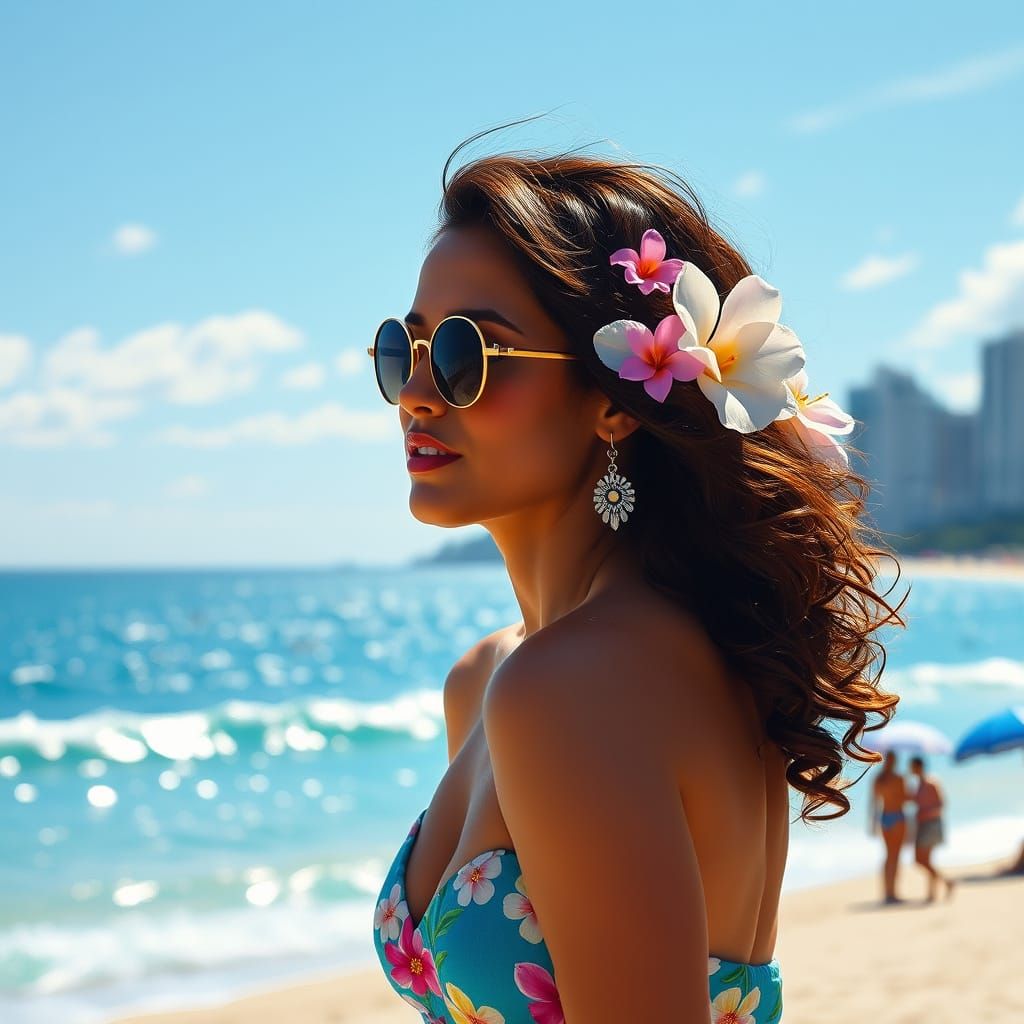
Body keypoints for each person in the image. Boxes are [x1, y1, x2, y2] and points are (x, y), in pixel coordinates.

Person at [368, 130, 907, 1024]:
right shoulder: (503, 675)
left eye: (469, 356)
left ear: (615, 399)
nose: (419, 392)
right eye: (405, 348)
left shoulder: (574, 687)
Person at [909, 756, 955, 901]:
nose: (910, 770)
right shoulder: (919, 784)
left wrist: (925, 812)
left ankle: (946, 882)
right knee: (925, 860)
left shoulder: (931, 782)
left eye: (912, 767)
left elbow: (941, 804)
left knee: (921, 860)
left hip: (931, 824)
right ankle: (933, 893)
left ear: (918, 767)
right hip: (923, 824)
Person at [870, 751, 908, 903]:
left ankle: (889, 892)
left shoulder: (879, 779)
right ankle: (891, 892)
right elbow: (906, 798)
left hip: (885, 817)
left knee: (889, 856)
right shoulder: (898, 778)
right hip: (897, 816)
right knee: (894, 856)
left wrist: (872, 823)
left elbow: (874, 802)